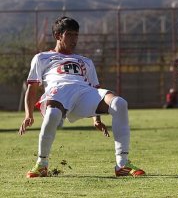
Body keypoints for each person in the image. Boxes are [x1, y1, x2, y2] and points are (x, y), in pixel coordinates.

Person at [19, 16, 145, 178]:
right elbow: (32, 86)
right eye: (70, 34)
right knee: (52, 114)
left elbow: (94, 88)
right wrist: (28, 114)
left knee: (119, 103)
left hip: (84, 93)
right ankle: (42, 164)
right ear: (58, 35)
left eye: (76, 35)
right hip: (59, 92)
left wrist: (96, 119)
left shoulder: (86, 61)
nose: (74, 39)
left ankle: (122, 164)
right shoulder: (41, 57)